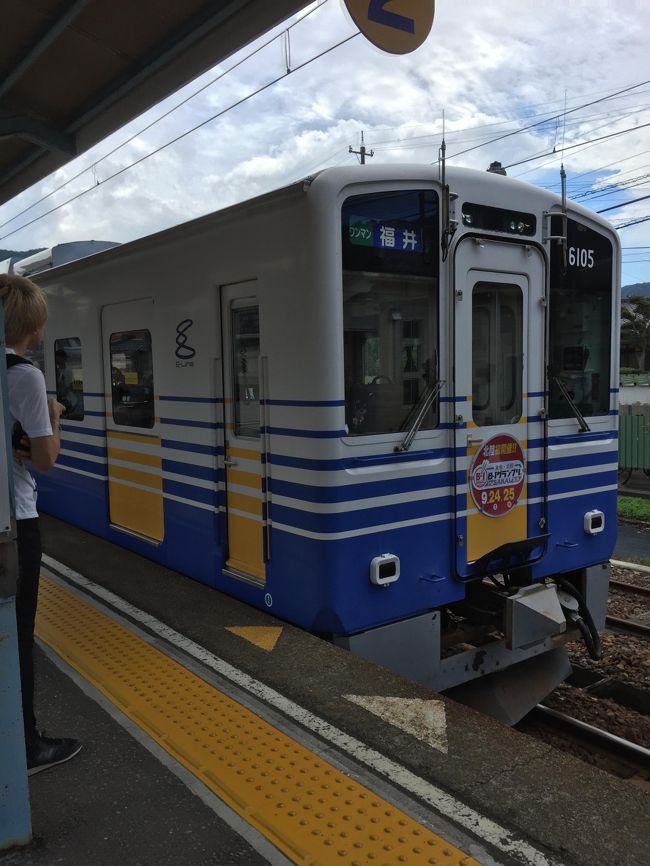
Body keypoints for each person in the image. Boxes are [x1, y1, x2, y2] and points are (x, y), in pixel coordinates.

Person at [1, 273, 82, 775]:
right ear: (29, 325)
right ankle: (26, 746)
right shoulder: (25, 375)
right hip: (17, 519)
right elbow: (46, 459)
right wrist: (53, 414)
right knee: (17, 633)